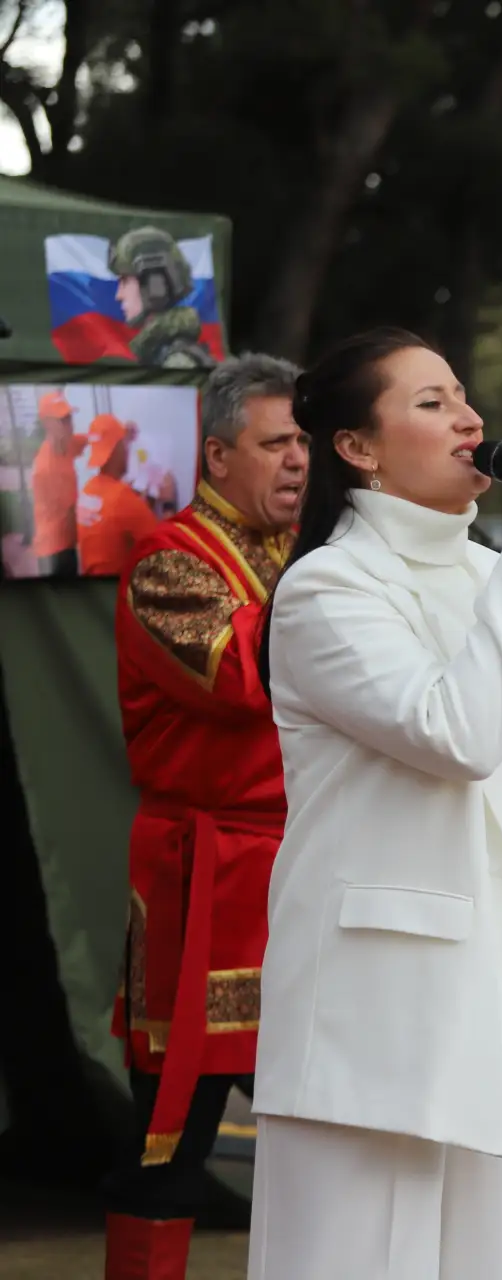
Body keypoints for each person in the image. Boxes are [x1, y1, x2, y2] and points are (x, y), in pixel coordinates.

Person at [246, 328, 502, 1279]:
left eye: (464, 397)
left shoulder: (496, 573)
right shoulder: (328, 587)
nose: (471, 419)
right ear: (357, 447)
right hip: (382, 1014)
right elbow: (459, 737)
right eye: (432, 403)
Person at [101, 355, 306, 1279]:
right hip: (206, 882)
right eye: (277, 443)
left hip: (305, 875)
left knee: (323, 1129)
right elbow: (243, 676)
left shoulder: (306, 556)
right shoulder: (167, 562)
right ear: (219, 457)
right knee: (170, 1141)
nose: (299, 460)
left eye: (307, 439)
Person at [110, 226, 216, 368]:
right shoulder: (158, 353)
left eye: (125, 281)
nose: (118, 295)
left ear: (153, 283)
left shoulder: (177, 363)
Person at [77, 414, 160, 577]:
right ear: (118, 449)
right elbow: (160, 544)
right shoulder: (123, 499)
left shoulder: (88, 489)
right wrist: (167, 504)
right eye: (124, 444)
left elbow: (113, 517)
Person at [30, 391, 80, 576]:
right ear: (47, 424)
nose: (69, 425)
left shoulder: (65, 445)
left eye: (69, 417)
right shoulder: (47, 467)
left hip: (64, 542)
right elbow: (71, 513)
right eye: (62, 420)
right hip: (54, 552)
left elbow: (89, 440)